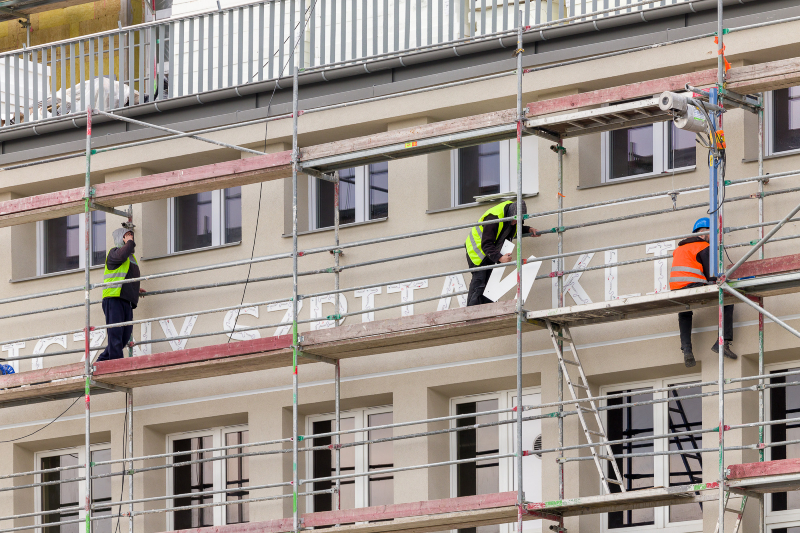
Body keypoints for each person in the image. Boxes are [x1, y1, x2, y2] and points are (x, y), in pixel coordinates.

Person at [670, 217, 737, 368]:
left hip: (677, 289)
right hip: (694, 285)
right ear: (704, 233)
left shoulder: (679, 248)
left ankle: (687, 349)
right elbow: (711, 275)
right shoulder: (702, 246)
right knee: (728, 297)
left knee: (685, 311)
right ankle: (724, 342)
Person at [465, 200, 537, 306]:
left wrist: (528, 229)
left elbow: (511, 229)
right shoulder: (494, 218)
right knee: (479, 281)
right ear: (510, 215)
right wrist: (499, 257)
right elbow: (486, 244)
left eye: (518, 221)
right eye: (514, 220)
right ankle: (470, 312)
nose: (515, 223)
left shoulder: (511, 217)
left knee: (490, 284)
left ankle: (486, 310)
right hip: (476, 251)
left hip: (490, 253)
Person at [96, 225, 145, 361]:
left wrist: (134, 288)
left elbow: (126, 276)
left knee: (124, 337)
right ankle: (116, 364)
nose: (131, 238)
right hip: (114, 299)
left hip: (126, 300)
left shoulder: (131, 258)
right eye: (127, 235)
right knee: (116, 334)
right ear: (121, 238)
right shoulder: (114, 253)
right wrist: (129, 243)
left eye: (131, 236)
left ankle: (102, 361)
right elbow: (121, 256)